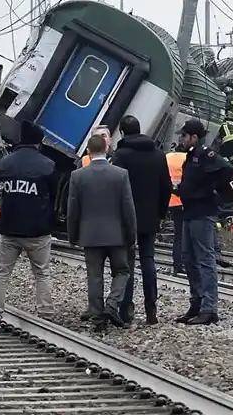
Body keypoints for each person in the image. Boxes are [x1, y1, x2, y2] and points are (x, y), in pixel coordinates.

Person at [0, 121, 57, 332]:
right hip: (38, 230)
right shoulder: (48, 165)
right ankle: (46, 314)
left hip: (9, 228)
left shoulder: (6, 163)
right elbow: (53, 195)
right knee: (42, 273)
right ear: (38, 142)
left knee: (2, 272)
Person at [66, 134, 137, 330]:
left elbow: (72, 210)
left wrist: (73, 236)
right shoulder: (120, 174)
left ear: (88, 151)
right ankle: (112, 305)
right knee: (122, 271)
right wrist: (132, 236)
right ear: (106, 149)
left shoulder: (78, 176)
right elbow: (128, 208)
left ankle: (97, 317)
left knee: (94, 275)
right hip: (117, 235)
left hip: (90, 235)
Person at [110, 115, 172, 326]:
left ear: (123, 132)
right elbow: (166, 186)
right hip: (150, 217)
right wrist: (160, 213)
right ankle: (151, 309)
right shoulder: (158, 154)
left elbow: (116, 187)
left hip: (126, 218)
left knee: (126, 263)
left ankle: (126, 310)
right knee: (148, 260)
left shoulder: (121, 155)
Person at [174, 119, 233, 325]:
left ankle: (209, 308)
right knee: (188, 258)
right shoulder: (192, 156)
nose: (181, 139)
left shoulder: (206, 155)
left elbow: (227, 168)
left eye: (184, 136)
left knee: (205, 260)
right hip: (190, 211)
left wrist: (213, 192)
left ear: (194, 137)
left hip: (202, 212)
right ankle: (197, 303)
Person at [167, 145, 188, 274]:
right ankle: (183, 263)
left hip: (171, 200)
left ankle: (177, 264)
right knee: (185, 235)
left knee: (178, 235)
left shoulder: (167, 157)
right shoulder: (187, 158)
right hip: (185, 200)